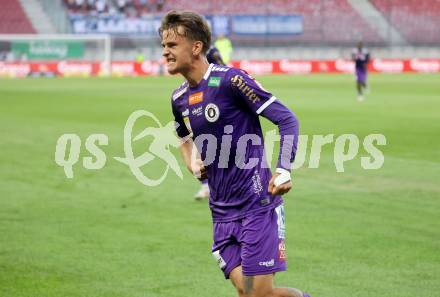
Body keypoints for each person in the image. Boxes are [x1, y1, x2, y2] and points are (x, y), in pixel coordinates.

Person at [159, 11, 311, 297]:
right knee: (246, 292)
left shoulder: (232, 81)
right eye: (163, 46)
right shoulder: (178, 98)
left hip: (257, 204)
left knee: (258, 294)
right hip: (221, 212)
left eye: (172, 45)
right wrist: (193, 163)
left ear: (196, 47)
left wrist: (284, 169)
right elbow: (182, 138)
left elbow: (287, 119)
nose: (165, 52)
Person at [194, 45, 226, 200]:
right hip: (199, 102)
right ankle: (207, 185)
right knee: (201, 146)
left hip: (215, 103)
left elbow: (222, 69)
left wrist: (210, 88)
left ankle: (215, 185)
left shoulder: (211, 51)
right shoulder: (187, 51)